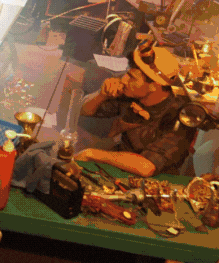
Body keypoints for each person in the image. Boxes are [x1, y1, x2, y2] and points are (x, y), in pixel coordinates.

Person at [76, 41, 194, 176]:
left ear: (154, 86)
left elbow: (147, 167)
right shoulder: (131, 92)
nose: (124, 80)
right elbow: (82, 111)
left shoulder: (180, 117)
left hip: (155, 178)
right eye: (127, 73)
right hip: (120, 161)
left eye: (132, 77)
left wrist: (93, 154)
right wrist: (101, 95)